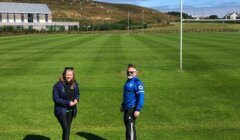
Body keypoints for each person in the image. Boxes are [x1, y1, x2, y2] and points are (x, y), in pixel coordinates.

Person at [52, 67, 80, 140]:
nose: (69, 76)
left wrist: (76, 99)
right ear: (64, 75)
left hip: (71, 111)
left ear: (73, 75)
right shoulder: (58, 85)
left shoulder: (75, 84)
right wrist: (68, 103)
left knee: (67, 130)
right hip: (61, 111)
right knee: (66, 129)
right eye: (67, 75)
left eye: (70, 75)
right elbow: (56, 98)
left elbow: (77, 94)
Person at [121, 64, 145, 140]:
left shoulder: (137, 82)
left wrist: (138, 109)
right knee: (129, 129)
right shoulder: (128, 80)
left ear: (136, 72)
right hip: (127, 109)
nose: (129, 73)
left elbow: (141, 96)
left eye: (131, 72)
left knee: (130, 130)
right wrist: (123, 105)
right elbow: (127, 95)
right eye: (128, 72)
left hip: (132, 109)